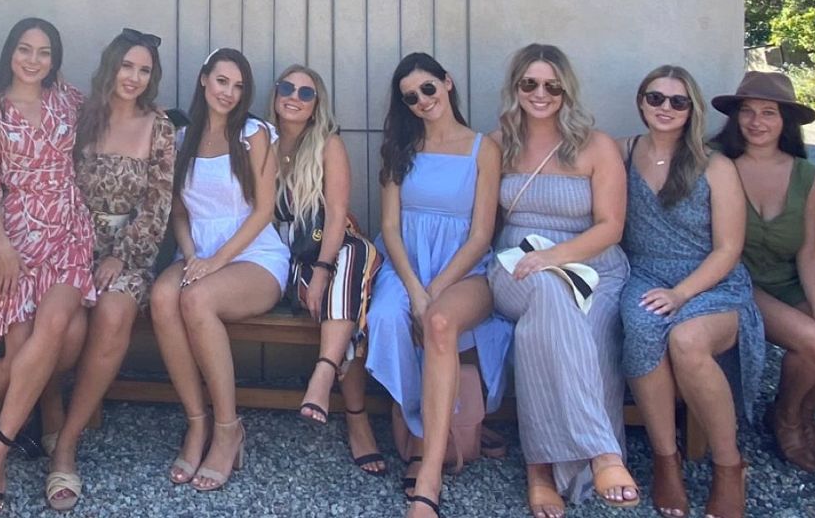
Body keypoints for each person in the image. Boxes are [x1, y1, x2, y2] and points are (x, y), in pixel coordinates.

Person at [483, 44, 636, 514]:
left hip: (593, 266)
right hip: (519, 265)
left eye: (552, 84)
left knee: (562, 326)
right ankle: (603, 451)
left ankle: (543, 470)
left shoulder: (596, 145)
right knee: (549, 295)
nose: (541, 93)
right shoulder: (498, 143)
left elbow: (611, 226)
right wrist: (538, 261)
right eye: (529, 83)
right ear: (515, 88)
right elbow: (481, 221)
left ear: (566, 89)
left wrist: (556, 255)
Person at [362, 53, 509, 518]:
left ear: (447, 83)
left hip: (463, 267)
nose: (422, 100)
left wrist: (438, 288)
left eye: (428, 88)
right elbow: (389, 227)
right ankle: (421, 427)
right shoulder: (400, 150)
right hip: (407, 265)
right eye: (411, 97)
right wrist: (415, 288)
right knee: (386, 317)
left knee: (439, 321)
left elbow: (482, 233)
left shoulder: (483, 148)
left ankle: (427, 462)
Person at [0, 19, 94, 515]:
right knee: (18, 358)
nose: (34, 60)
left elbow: (119, 112)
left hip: (68, 229)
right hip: (17, 235)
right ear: (10, 53)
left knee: (58, 323)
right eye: (25, 49)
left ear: (54, 60)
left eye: (44, 52)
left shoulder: (68, 99)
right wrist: (1, 246)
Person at [620, 65, 764, 518]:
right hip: (642, 273)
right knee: (642, 326)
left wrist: (681, 294)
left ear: (692, 109)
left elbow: (728, 249)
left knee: (686, 339)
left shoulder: (714, 165)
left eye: (677, 101)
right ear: (642, 101)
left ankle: (728, 464)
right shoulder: (623, 152)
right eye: (655, 98)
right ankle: (667, 459)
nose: (665, 107)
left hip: (710, 280)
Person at [146, 48, 293, 493]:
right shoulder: (180, 138)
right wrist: (192, 254)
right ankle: (197, 422)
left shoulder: (254, 134)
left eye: (238, 85)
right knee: (161, 297)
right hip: (200, 251)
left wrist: (215, 262)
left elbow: (264, 210)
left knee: (196, 298)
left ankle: (229, 429)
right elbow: (179, 213)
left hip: (253, 255)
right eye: (222, 81)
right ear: (204, 80)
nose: (229, 92)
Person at [45, 29, 176, 511]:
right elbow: (53, 182)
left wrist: (123, 253)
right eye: (127, 67)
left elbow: (158, 204)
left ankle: (66, 444)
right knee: (65, 323)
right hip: (69, 243)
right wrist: (75, 246)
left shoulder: (158, 127)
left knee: (115, 311)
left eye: (144, 70)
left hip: (128, 250)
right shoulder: (79, 117)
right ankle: (48, 405)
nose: (134, 78)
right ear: (110, 67)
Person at [716, 70, 815, 472]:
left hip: (787, 282)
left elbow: (810, 251)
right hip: (738, 282)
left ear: (786, 122)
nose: (756, 122)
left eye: (769, 113)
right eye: (747, 111)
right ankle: (787, 421)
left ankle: (795, 411)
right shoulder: (717, 162)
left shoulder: (806, 175)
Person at [270, 64, 385, 474]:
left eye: (306, 93)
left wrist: (321, 270)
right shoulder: (260, 141)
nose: (295, 97)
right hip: (286, 263)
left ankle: (322, 375)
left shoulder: (327, 145)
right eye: (288, 88)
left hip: (329, 253)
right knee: (348, 298)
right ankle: (357, 418)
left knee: (351, 257)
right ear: (275, 93)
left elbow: (336, 215)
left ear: (317, 105)